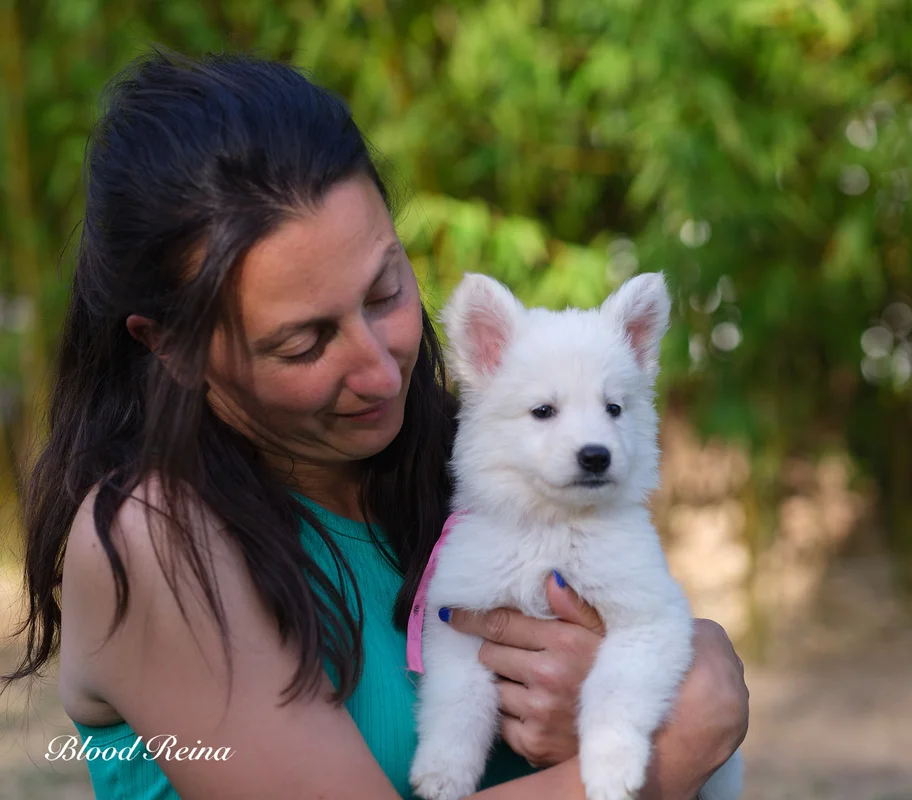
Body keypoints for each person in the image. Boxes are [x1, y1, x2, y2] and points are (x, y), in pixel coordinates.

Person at [2, 48, 748, 799]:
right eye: (304, 342)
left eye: (385, 291)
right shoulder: (156, 539)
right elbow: (680, 729)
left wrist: (677, 663)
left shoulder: (462, 468)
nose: (382, 371)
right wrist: (675, 747)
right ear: (172, 349)